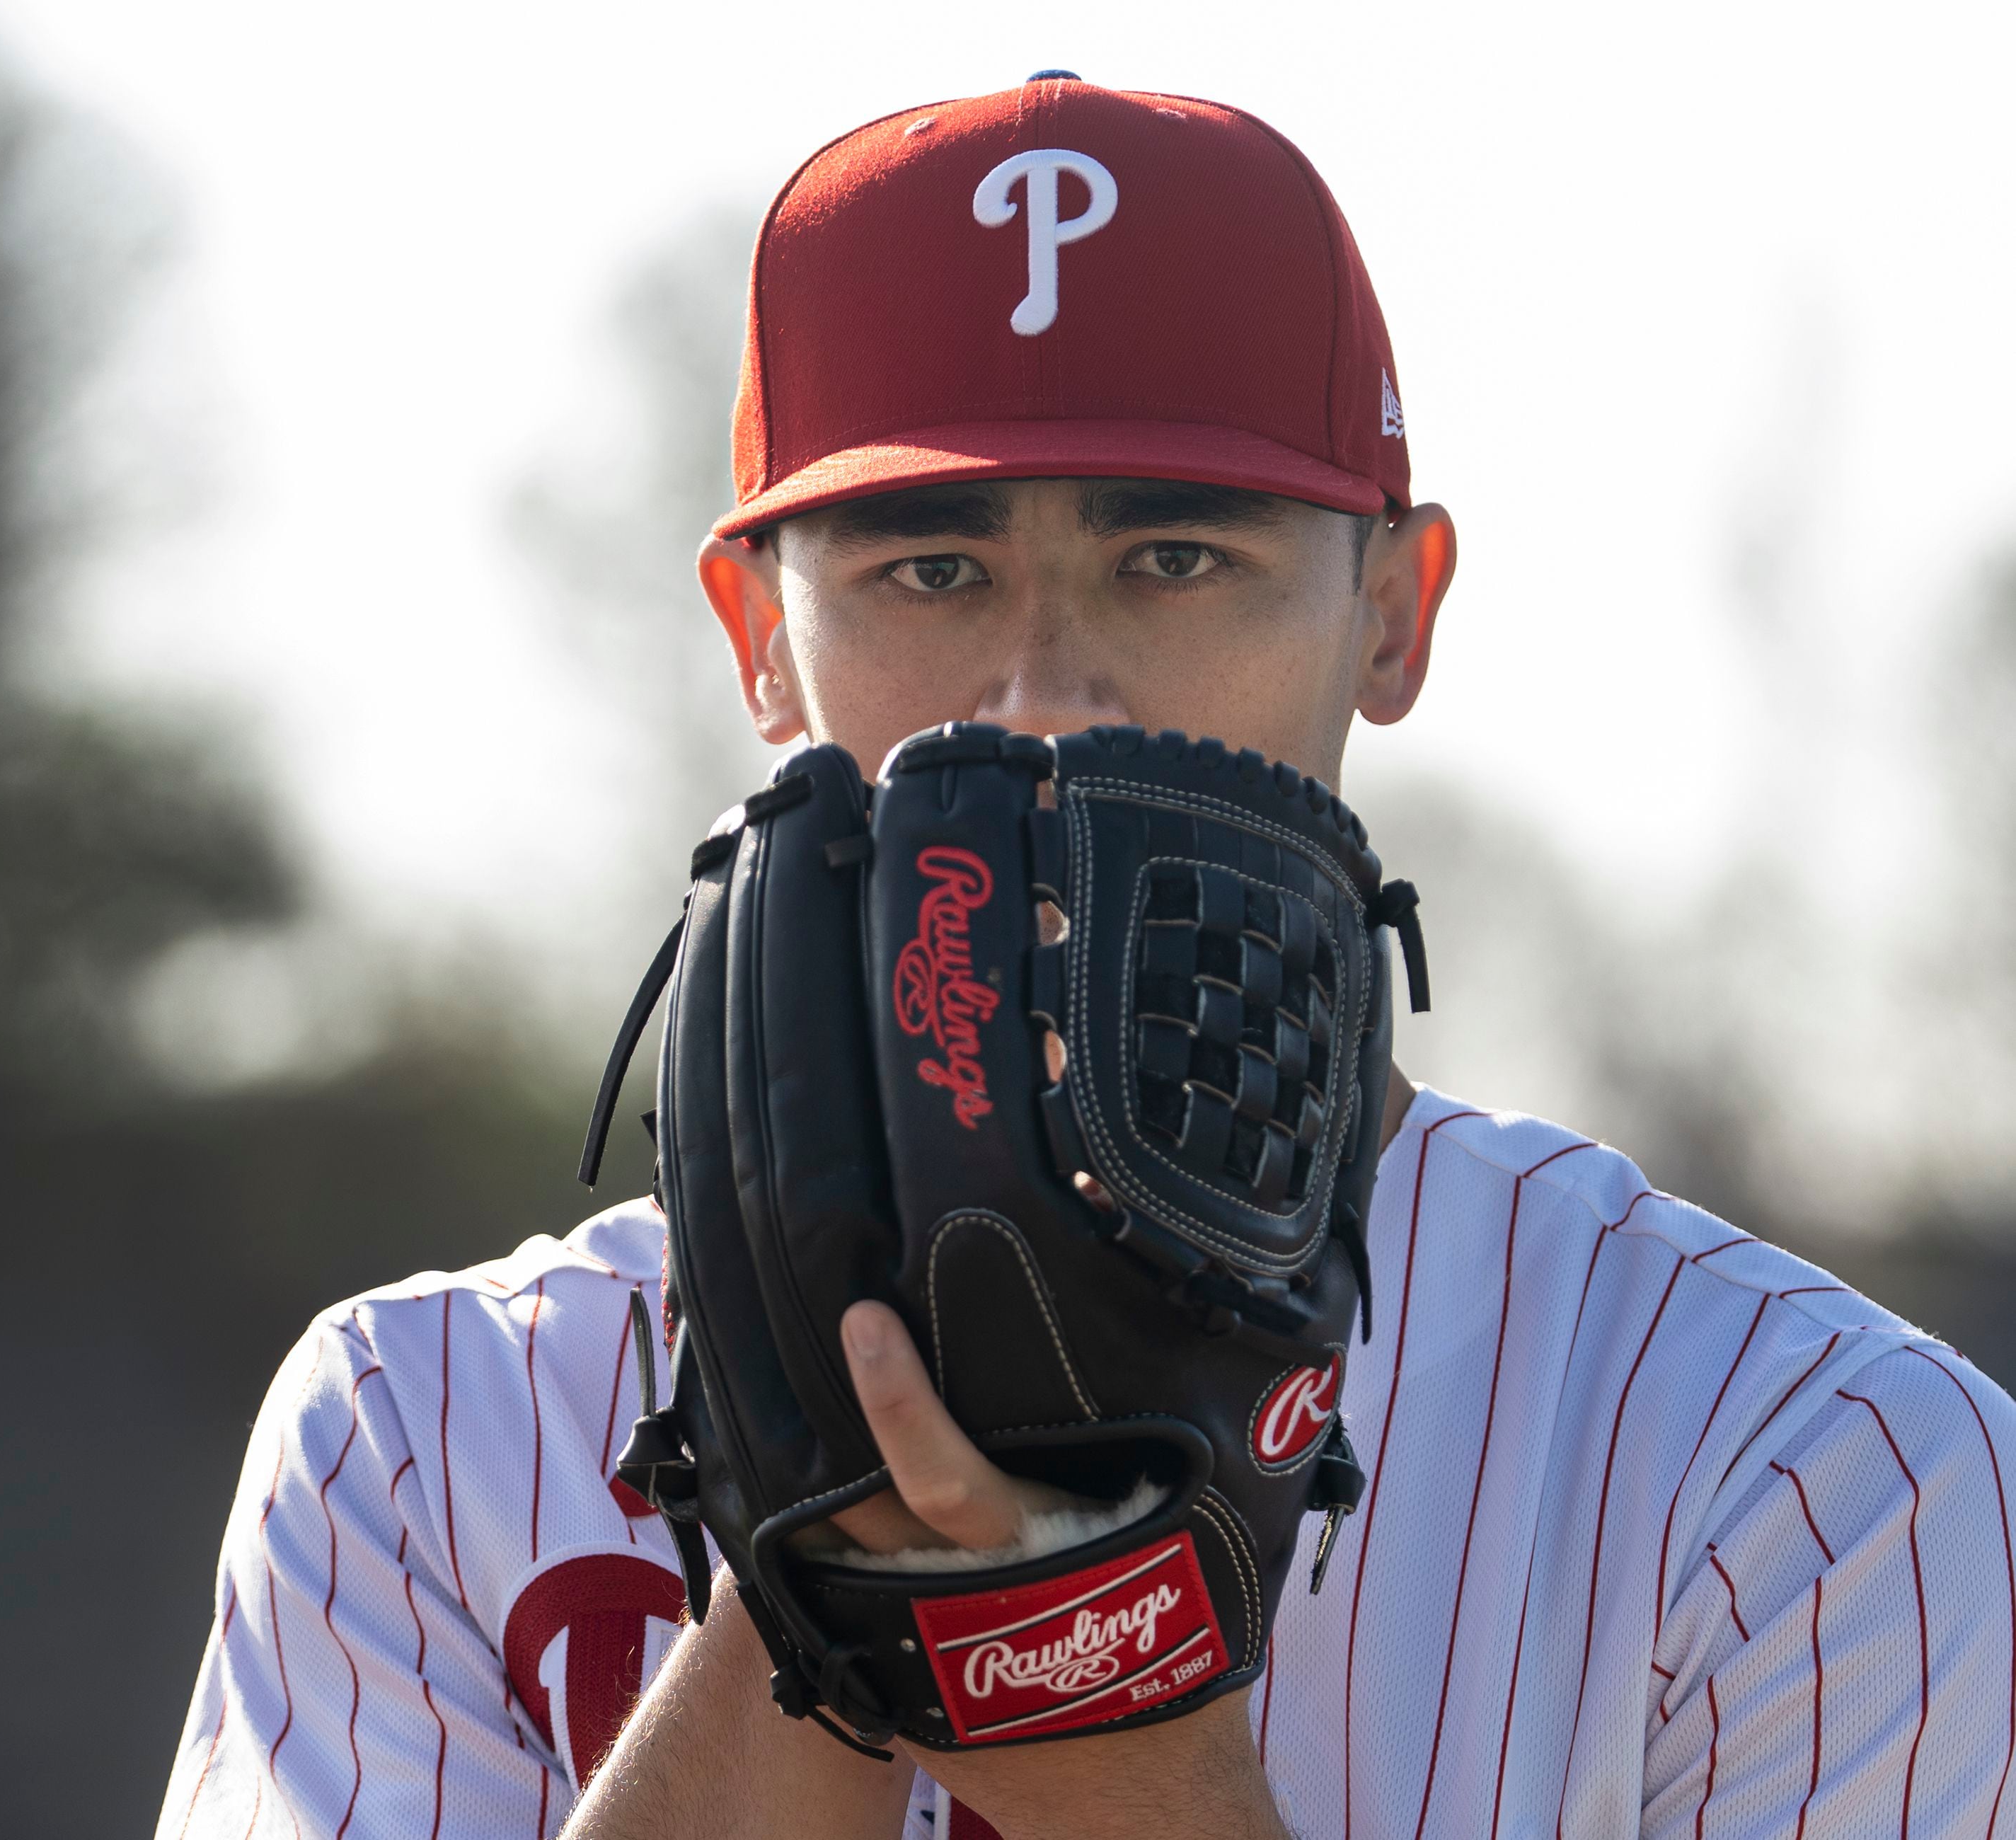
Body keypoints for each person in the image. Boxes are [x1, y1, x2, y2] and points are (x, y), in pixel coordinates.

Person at [159, 76, 2016, 1838]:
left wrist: (1101, 1722)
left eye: (1176, 557)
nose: (1044, 701)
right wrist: (826, 1598)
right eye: (930, 570)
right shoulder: (418, 1430)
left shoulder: (1816, 1465)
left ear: (1392, 612)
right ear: (758, 637)